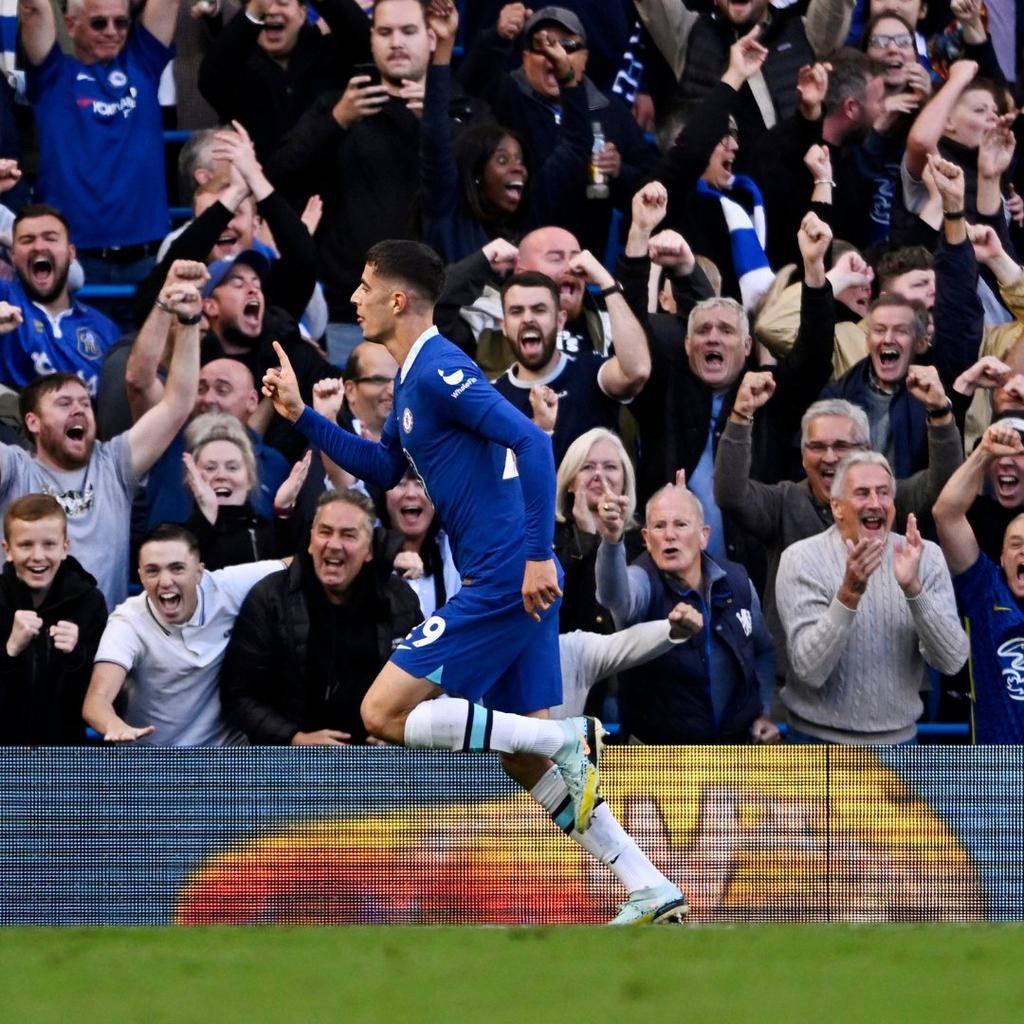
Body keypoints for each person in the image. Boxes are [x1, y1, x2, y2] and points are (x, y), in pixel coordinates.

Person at [262, 237, 689, 925]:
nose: (354, 298)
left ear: (397, 299)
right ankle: (648, 883)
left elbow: (531, 440)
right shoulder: (411, 379)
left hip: (502, 576)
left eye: (364, 285)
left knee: (382, 714)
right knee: (523, 754)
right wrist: (302, 418)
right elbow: (382, 469)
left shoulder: (439, 368)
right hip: (507, 573)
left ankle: (568, 739)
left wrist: (534, 556)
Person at [0, 261, 205, 608]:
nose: (79, 409)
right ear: (32, 423)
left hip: (100, 646)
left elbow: (178, 403)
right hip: (21, 646)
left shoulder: (113, 463)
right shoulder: (14, 467)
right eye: (64, 403)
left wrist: (186, 321)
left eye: (84, 402)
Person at [775, 451, 969, 743]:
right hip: (817, 743)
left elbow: (952, 660)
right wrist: (848, 595)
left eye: (884, 493)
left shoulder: (925, 556)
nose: (875, 503)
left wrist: (914, 590)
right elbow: (810, 670)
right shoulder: (801, 559)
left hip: (899, 745)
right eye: (863, 493)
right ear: (837, 507)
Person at [220, 488, 423, 745]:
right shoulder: (269, 598)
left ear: (369, 550)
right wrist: (294, 738)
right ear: (310, 541)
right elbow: (238, 695)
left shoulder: (400, 599)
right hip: (289, 764)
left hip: (379, 760)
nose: (334, 544)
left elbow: (422, 685)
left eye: (348, 535)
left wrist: (397, 733)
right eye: (325, 532)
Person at [595, 483, 778, 744]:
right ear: (646, 538)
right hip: (659, 761)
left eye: (680, 524)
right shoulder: (643, 581)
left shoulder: (737, 581)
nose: (669, 535)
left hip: (734, 754)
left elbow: (763, 651)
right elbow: (614, 596)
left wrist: (765, 711)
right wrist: (612, 540)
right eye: (659, 526)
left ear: (704, 535)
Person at [17, 0, 179, 296]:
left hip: (145, 257)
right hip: (76, 262)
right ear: (70, 25)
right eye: (98, 23)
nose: (112, 31)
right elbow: (35, 8)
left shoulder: (143, 63)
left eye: (121, 22)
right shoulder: (53, 75)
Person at [82, 523, 289, 745]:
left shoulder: (226, 587)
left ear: (199, 572)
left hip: (227, 759)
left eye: (177, 568)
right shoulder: (127, 621)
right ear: (140, 576)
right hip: (152, 764)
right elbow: (97, 700)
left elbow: (297, 563)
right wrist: (113, 725)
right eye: (153, 571)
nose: (165, 581)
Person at [492, 260, 650, 464]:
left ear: (560, 321)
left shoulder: (592, 372)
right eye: (516, 311)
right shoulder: (491, 399)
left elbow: (637, 371)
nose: (527, 319)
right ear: (503, 326)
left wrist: (607, 284)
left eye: (539, 310)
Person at [933, 422, 1024, 743]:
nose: (1023, 550)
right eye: (1015, 544)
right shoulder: (986, 586)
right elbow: (947, 514)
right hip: (992, 770)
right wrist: (984, 453)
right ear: (1001, 557)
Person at [198, 0, 371, 160]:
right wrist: (251, 13)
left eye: (282, 2)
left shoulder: (330, 54)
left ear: (302, 13)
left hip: (331, 182)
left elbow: (365, 45)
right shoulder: (237, 68)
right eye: (264, 3)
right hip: (260, 184)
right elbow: (209, 80)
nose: (272, 10)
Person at [0, 494, 107, 744]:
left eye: (49, 544)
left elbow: (105, 700)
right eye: (26, 545)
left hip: (64, 753)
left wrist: (77, 656)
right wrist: (10, 650)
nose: (38, 556)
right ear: (8, 550)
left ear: (65, 548)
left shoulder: (90, 602)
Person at [0, 204, 120, 395]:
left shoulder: (105, 329)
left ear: (71, 253)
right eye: (27, 240)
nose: (39, 246)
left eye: (50, 238)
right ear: (13, 255)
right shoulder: (4, 298)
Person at [182, 413, 309, 569]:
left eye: (232, 467)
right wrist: (206, 516)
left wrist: (284, 510)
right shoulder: (181, 536)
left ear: (249, 478)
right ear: (192, 477)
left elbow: (297, 569)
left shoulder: (266, 531)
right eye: (210, 468)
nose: (221, 476)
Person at [380, 469, 460, 620]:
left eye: (421, 483)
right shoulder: (365, 549)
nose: (411, 494)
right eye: (400, 483)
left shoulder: (453, 550)